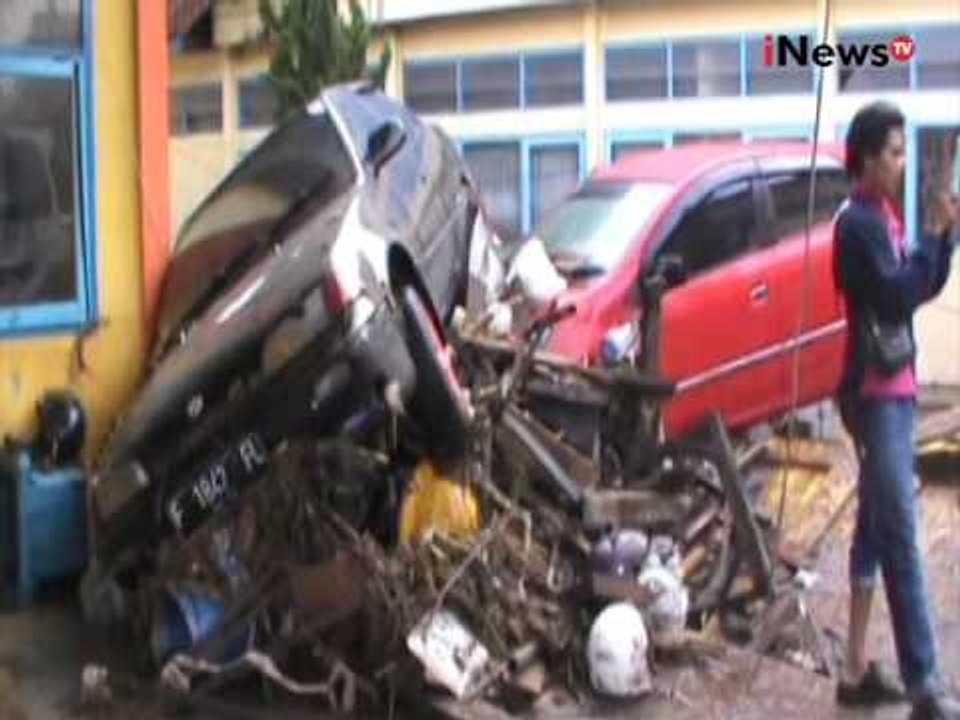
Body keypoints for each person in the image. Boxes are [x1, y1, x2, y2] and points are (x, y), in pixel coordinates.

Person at [834, 100, 960, 720]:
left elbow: (922, 286)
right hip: (875, 395)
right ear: (865, 159)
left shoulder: (883, 216)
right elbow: (894, 291)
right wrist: (933, 241)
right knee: (902, 536)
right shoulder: (856, 224)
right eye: (894, 151)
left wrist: (944, 235)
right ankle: (925, 684)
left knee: (874, 531)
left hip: (897, 391)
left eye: (904, 150)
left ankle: (855, 670)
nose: (902, 161)